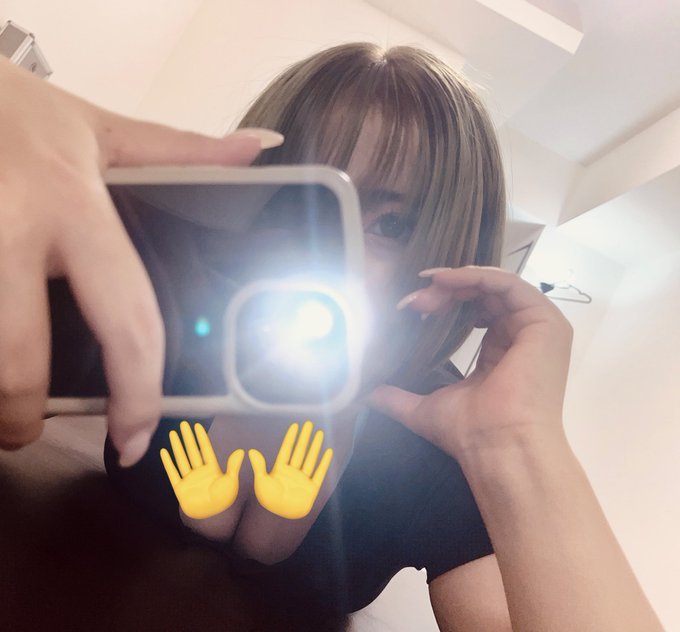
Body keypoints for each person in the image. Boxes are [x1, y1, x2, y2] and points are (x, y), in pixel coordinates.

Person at [0, 43, 663, 631]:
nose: (321, 247)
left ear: (448, 247)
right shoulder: (159, 320)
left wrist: (518, 445)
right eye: (297, 199)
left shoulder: (437, 435)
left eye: (389, 225)